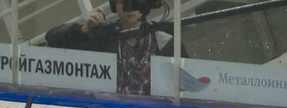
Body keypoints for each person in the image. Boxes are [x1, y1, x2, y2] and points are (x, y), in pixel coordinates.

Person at [45, 0, 186, 95]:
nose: (128, 6)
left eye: (134, 1)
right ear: (114, 7)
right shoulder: (104, 37)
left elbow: (186, 88)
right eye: (122, 1)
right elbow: (52, 37)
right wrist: (83, 30)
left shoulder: (166, 42)